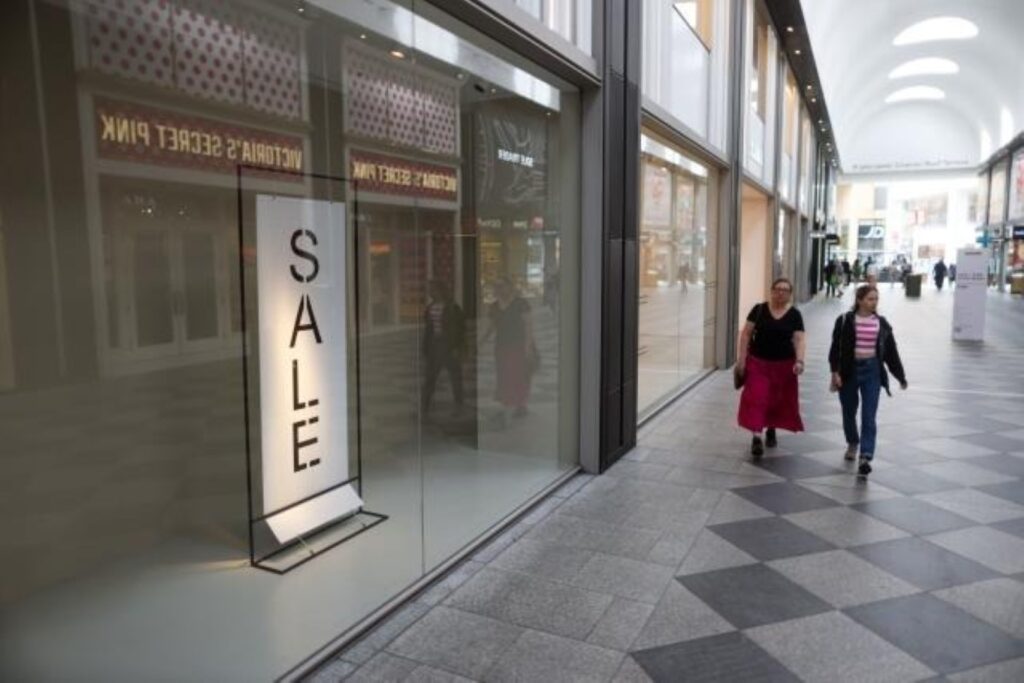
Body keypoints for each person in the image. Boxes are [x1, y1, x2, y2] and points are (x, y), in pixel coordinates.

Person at [828, 285, 908, 478]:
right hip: (849, 371)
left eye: (876, 299)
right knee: (849, 411)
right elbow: (835, 349)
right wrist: (835, 372)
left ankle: (865, 455)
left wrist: (900, 376)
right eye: (870, 299)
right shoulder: (845, 320)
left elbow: (891, 352)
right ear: (859, 300)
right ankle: (852, 442)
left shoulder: (882, 323)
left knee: (869, 415)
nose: (874, 302)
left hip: (872, 371)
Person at [736, 278, 806, 457]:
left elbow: (799, 339)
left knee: (776, 400)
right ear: (772, 291)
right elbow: (746, 334)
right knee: (757, 398)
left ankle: (771, 428)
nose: (781, 292)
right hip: (758, 363)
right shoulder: (759, 309)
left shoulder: (795, 314)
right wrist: (742, 360)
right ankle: (756, 437)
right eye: (777, 289)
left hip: (784, 366)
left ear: (790, 294)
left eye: (785, 290)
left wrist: (799, 361)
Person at [483, 277, 536, 420]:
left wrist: (528, 347)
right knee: (503, 375)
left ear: (510, 287)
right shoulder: (494, 306)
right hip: (501, 346)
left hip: (518, 345)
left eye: (502, 286)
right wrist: (482, 341)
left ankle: (515, 405)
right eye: (497, 286)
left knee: (516, 375)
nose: (499, 289)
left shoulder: (521, 303)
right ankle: (514, 405)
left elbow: (528, 326)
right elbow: (491, 326)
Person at [422, 280, 465, 416]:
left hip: (449, 345)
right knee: (430, 377)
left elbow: (460, 329)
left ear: (440, 290)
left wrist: (458, 347)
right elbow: (428, 329)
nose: (429, 292)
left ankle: (459, 405)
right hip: (434, 345)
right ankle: (425, 406)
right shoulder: (430, 307)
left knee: (455, 377)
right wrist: (425, 348)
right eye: (429, 289)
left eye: (432, 289)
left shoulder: (453, 308)